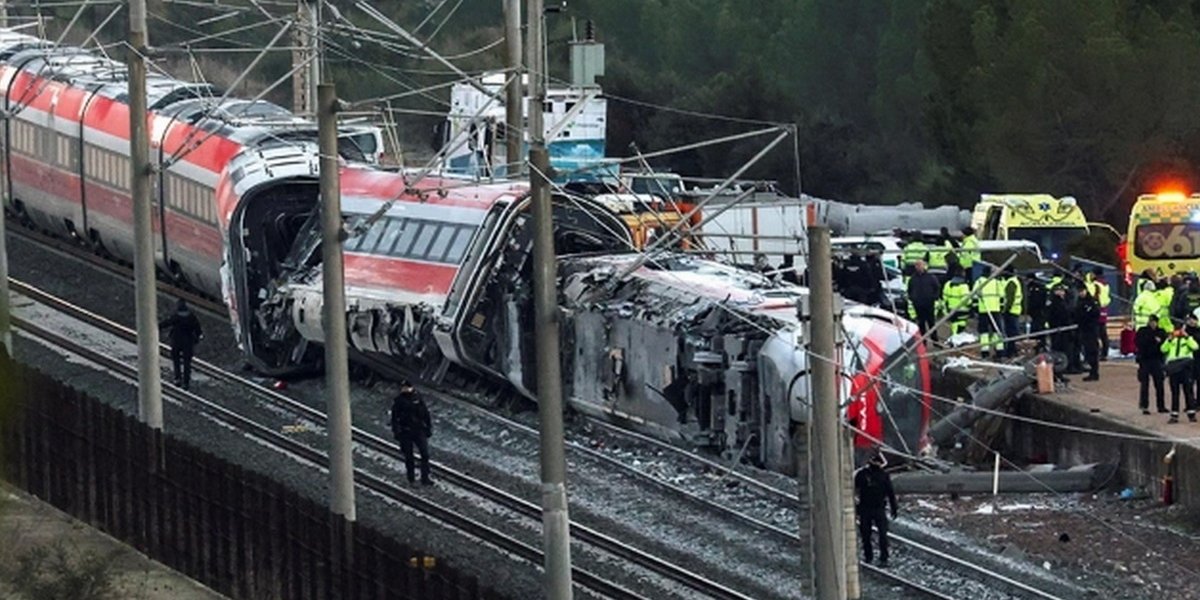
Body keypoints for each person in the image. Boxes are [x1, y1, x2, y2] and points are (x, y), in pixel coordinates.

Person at [854, 451, 898, 568]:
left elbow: (890, 493)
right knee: (873, 534)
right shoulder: (880, 475)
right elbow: (890, 493)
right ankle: (877, 557)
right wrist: (894, 508)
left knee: (870, 534)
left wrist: (894, 508)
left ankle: (874, 557)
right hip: (872, 509)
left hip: (871, 508)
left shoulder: (864, 474)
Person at [390, 380, 433, 484]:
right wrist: (397, 432)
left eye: (407, 387)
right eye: (404, 387)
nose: (405, 389)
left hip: (419, 430)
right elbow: (394, 418)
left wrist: (428, 428)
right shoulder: (399, 401)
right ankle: (411, 479)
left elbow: (426, 414)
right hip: (406, 432)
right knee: (409, 457)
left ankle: (425, 478)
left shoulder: (418, 398)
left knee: (425, 455)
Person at [159, 298, 203, 390]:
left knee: (176, 361)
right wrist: (198, 338)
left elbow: (166, 323)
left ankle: (177, 379)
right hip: (188, 343)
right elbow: (198, 330)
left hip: (176, 342)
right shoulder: (192, 317)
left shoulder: (176, 317)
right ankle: (186, 382)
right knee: (187, 363)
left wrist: (158, 326)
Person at [1162, 327, 1199, 423]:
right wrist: (1169, 340)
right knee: (1175, 392)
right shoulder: (1171, 340)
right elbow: (1163, 349)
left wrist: (1187, 337)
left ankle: (1191, 414)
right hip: (1174, 368)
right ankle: (1174, 415)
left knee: (1188, 391)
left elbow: (1195, 347)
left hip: (1185, 368)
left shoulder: (1187, 340)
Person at [1136, 316, 1168, 415]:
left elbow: (1164, 344)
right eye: (1151, 322)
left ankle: (1161, 406)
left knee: (1159, 384)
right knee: (1144, 384)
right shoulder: (1142, 331)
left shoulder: (1161, 331)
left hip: (1157, 360)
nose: (1153, 324)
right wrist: (1153, 340)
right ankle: (1144, 406)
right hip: (1145, 360)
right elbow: (1139, 342)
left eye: (1154, 322)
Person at [906, 260, 940, 341]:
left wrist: (934, 297)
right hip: (918, 304)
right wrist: (913, 298)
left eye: (920, 265)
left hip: (929, 303)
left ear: (924, 266)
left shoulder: (930, 277)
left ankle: (935, 340)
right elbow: (909, 290)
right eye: (917, 265)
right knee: (921, 324)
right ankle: (923, 341)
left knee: (931, 323)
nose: (918, 267)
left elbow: (937, 288)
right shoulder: (912, 278)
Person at [1074, 286, 1101, 381]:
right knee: (1087, 351)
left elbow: (1095, 314)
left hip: (1091, 330)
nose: (1081, 293)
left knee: (1092, 351)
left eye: (1082, 291)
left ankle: (1094, 372)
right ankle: (1092, 371)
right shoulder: (1079, 302)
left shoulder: (1091, 302)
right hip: (1084, 330)